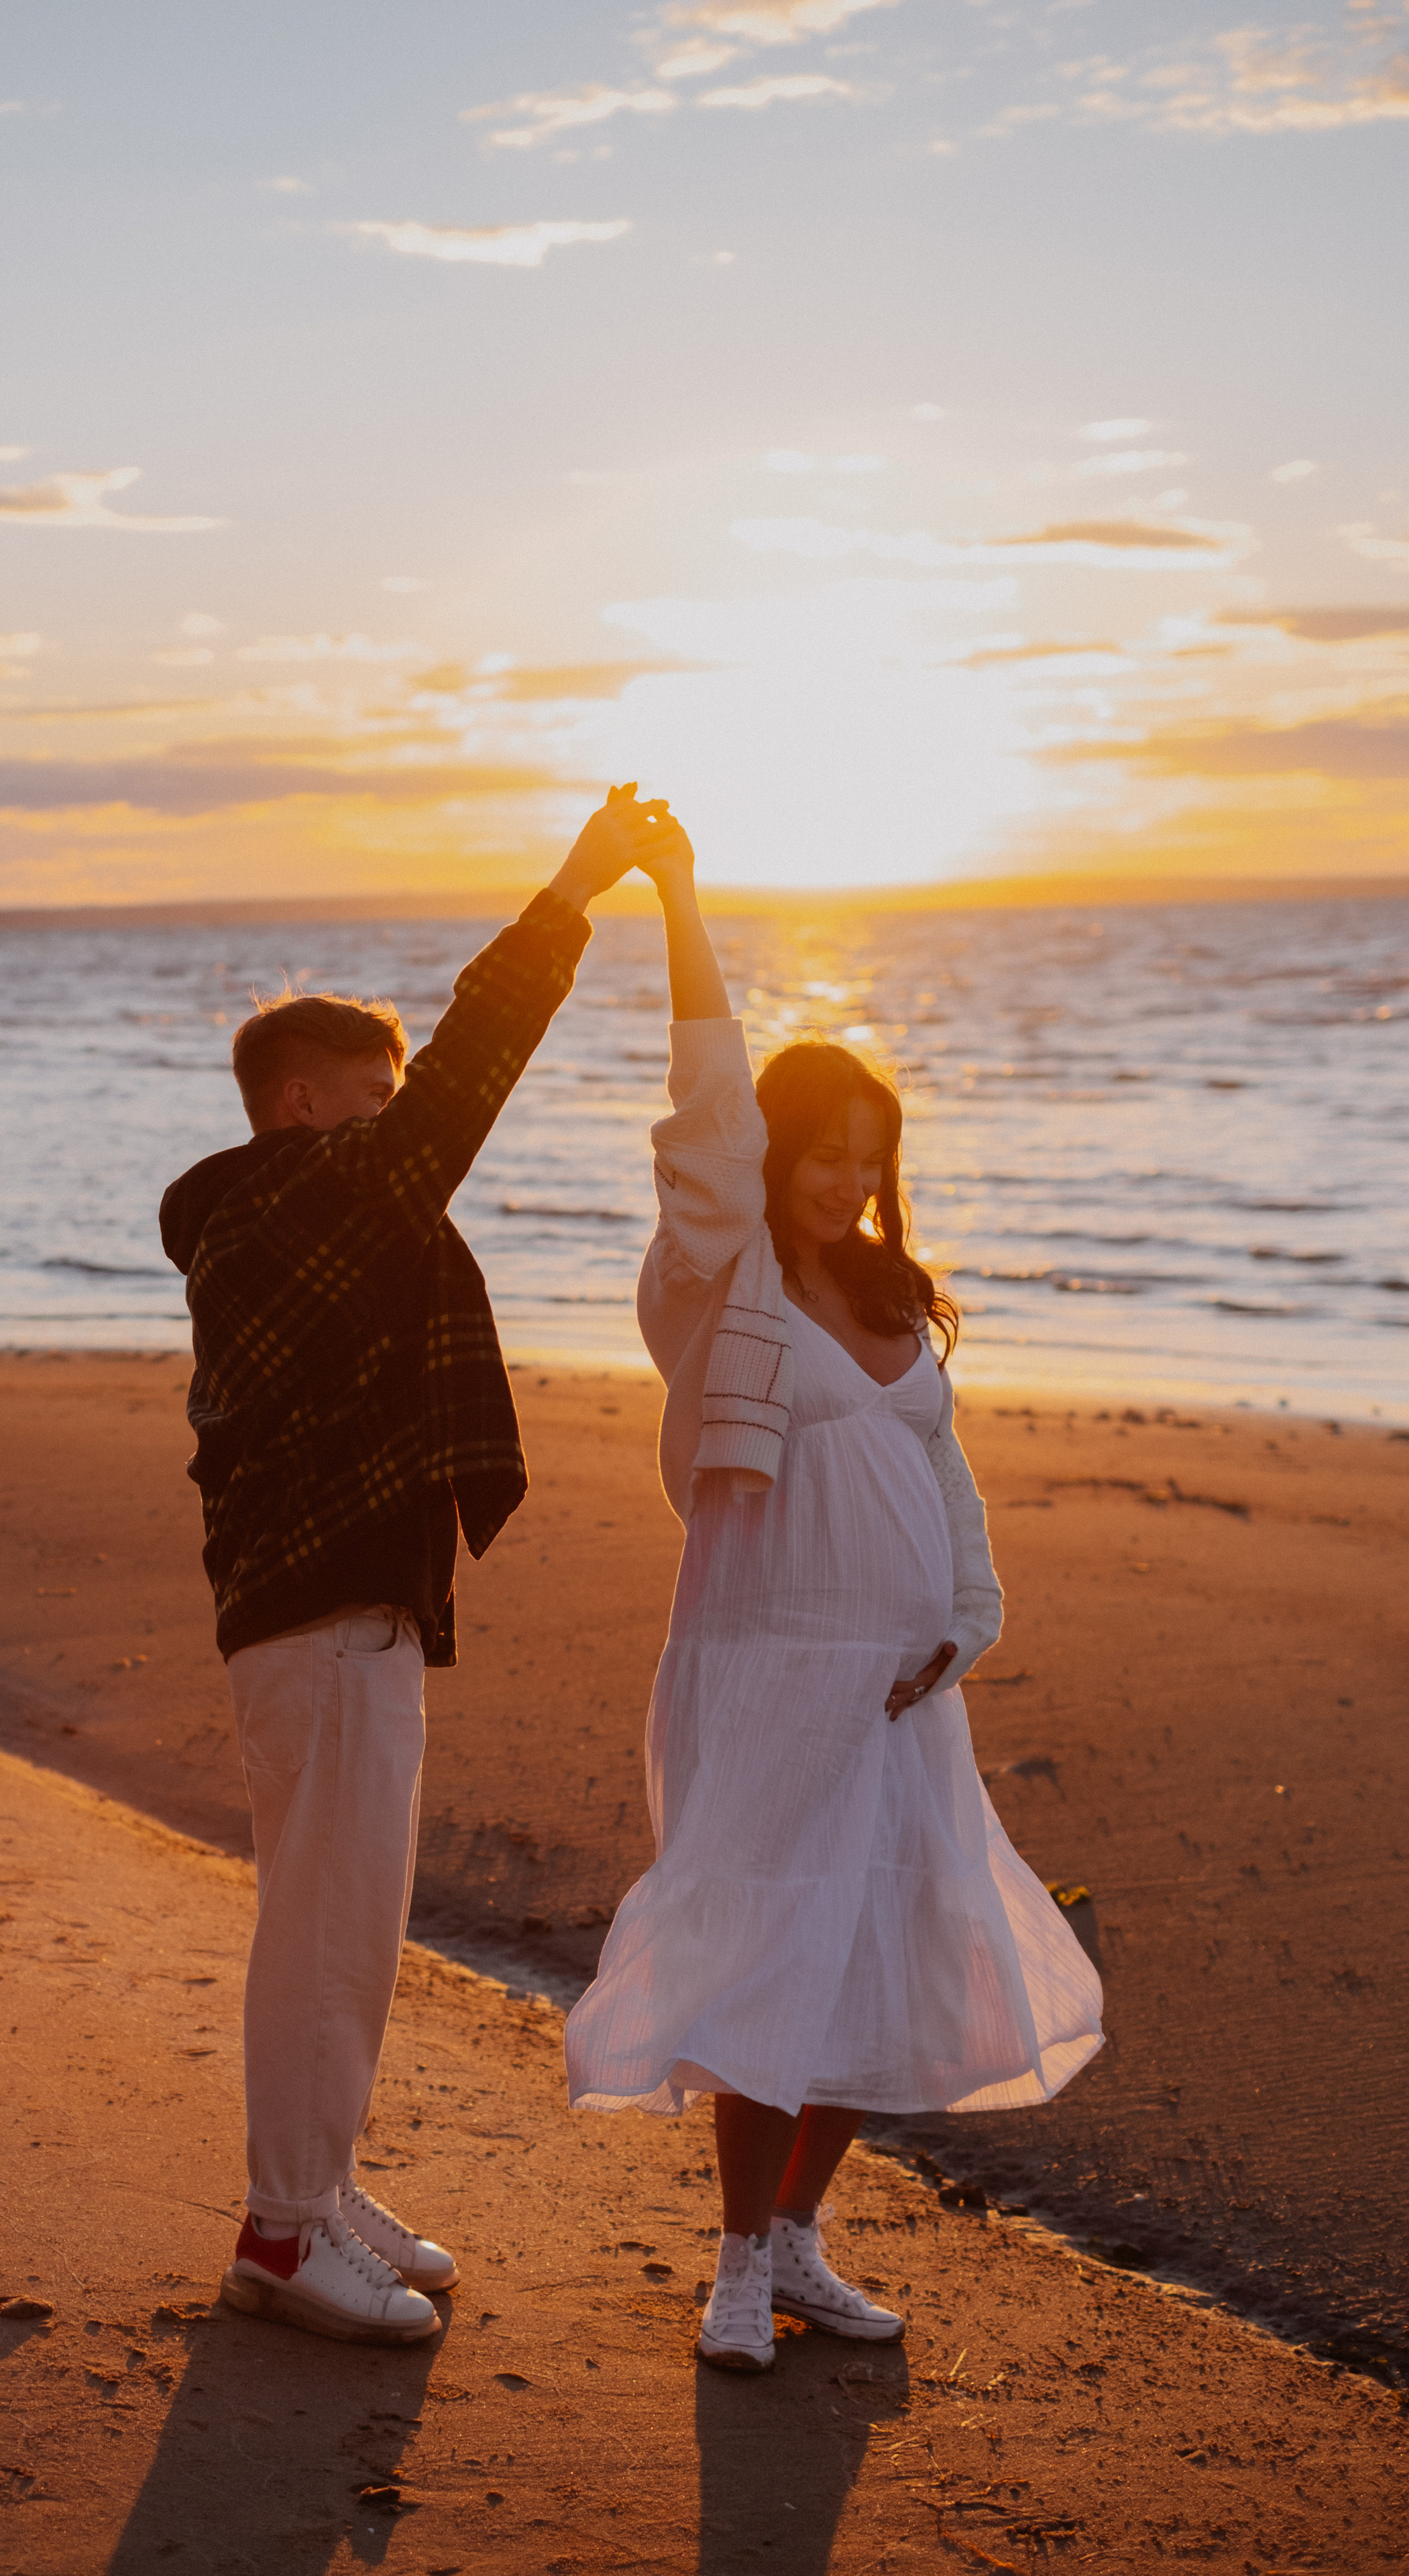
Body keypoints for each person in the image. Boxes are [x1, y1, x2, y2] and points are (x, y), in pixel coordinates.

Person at [563, 822, 1105, 2373]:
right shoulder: (716, 1292)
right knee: (775, 1958)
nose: (849, 1184)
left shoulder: (884, 1297)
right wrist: (675, 904)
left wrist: (968, 1616)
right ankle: (736, 2263)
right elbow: (704, 1112)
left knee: (903, 1948)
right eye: (824, 1155)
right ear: (771, 1156)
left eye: (871, 1162)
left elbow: (942, 1468)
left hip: (902, 1684)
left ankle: (798, 2239)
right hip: (765, 1669)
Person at [160, 787, 669, 2347]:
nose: (405, 1125)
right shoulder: (302, 1205)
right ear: (301, 1106)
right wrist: (575, 894)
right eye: (376, 1100)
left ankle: (316, 2189)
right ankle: (282, 2227)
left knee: (348, 1929)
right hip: (321, 1624)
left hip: (341, 1617)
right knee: (325, 1932)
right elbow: (470, 1066)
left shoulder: (296, 1214)